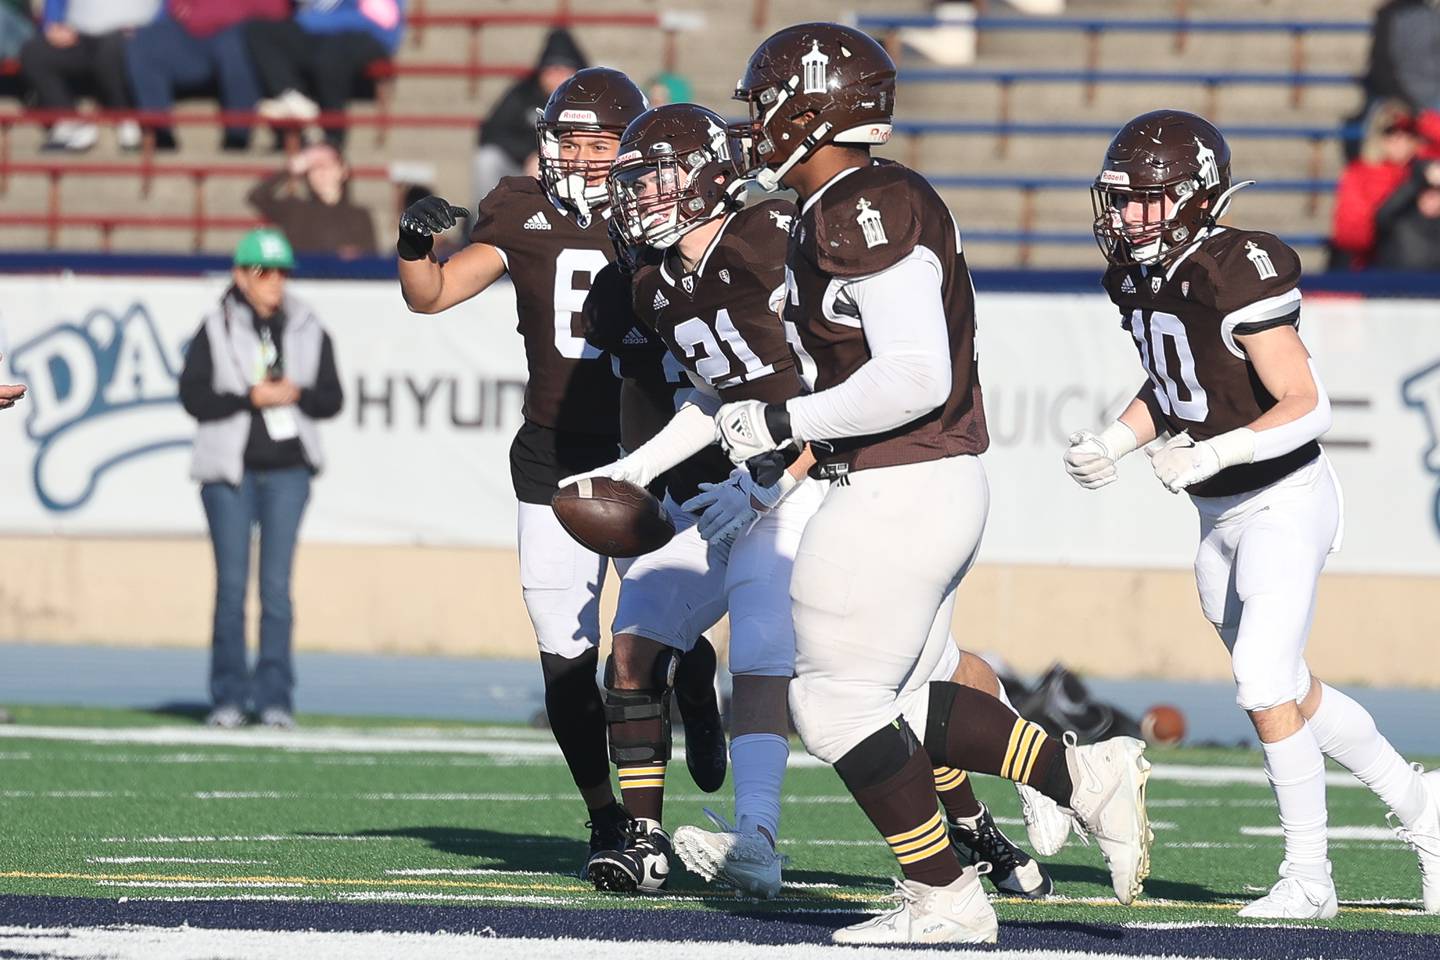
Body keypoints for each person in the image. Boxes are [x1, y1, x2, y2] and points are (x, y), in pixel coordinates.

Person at [718, 23, 1151, 944]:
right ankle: (1082, 777)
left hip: (901, 482)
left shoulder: (863, 204)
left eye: (766, 107)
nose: (755, 126)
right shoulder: (843, 202)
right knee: (906, 699)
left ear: (811, 110)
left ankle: (945, 896)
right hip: (916, 482)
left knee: (832, 701)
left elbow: (915, 373)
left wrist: (787, 423)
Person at [1069, 109, 1440, 918]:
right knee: (1290, 691)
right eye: (1122, 200)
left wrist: (1214, 451)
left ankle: (1310, 877)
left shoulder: (1240, 265)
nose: (1129, 216)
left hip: (1283, 498)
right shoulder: (1136, 275)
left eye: (1148, 200)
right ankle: (1427, 810)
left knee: (1261, 681)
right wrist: (1116, 441)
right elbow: (1174, 383)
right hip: (1217, 515)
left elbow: (1307, 405)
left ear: (1196, 197)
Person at [395, 67, 725, 876]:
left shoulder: (667, 213)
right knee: (564, 656)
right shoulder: (520, 208)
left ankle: (693, 670)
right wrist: (412, 244)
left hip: (654, 452)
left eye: (600, 141)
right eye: (569, 140)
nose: (581, 157)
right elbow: (432, 295)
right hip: (554, 452)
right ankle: (606, 818)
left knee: (644, 641)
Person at [178, 228, 344, 730]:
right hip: (230, 472)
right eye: (262, 271)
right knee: (231, 589)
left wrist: (296, 393)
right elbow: (194, 398)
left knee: (276, 590)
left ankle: (275, 698)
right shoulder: (215, 325)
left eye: (280, 272)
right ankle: (227, 696)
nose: (274, 282)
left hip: (289, 471)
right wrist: (249, 399)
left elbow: (331, 399)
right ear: (240, 275)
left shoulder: (308, 325)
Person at [125, 0, 288, 151]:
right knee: (143, 40)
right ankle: (159, 134)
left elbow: (276, 10)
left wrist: (219, 14)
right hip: (192, 33)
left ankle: (237, 137)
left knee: (234, 47)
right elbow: (174, 7)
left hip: (238, 32)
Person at [248, 0, 406, 147]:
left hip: (363, 37)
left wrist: (315, 21)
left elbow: (381, 20)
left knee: (329, 58)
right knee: (258, 31)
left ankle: (333, 138)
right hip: (318, 31)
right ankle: (293, 99)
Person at [19, 0, 158, 152]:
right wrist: (54, 25)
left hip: (125, 37)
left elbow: (160, 9)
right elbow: (55, 7)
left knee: (111, 49)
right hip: (79, 36)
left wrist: (141, 28)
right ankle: (68, 122)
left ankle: (125, 117)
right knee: (33, 52)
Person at [470, 28, 585, 210]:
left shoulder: (589, 98)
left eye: (564, 69)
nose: (557, 76)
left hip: (576, 171)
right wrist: (529, 155)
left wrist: (551, 160)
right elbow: (490, 132)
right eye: (551, 69)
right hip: (522, 169)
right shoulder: (523, 93)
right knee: (487, 160)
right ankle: (486, 224)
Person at [1330, 101, 1426, 270]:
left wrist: (1423, 119)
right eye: (1391, 131)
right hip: (1372, 265)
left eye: (1409, 132)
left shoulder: (1424, 171)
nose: (1401, 139)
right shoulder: (1360, 174)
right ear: (1377, 136)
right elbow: (1350, 233)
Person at [247, 142, 377, 257]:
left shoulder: (360, 215)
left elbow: (371, 259)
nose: (321, 173)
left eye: (326, 166)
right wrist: (291, 168)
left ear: (343, 171)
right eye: (314, 168)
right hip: (301, 281)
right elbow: (256, 197)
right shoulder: (294, 209)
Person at [1374, 156, 1440, 270]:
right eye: (1426, 194)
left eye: (1436, 194)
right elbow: (1382, 215)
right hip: (1400, 284)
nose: (1431, 199)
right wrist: (1420, 178)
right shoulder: (1400, 220)